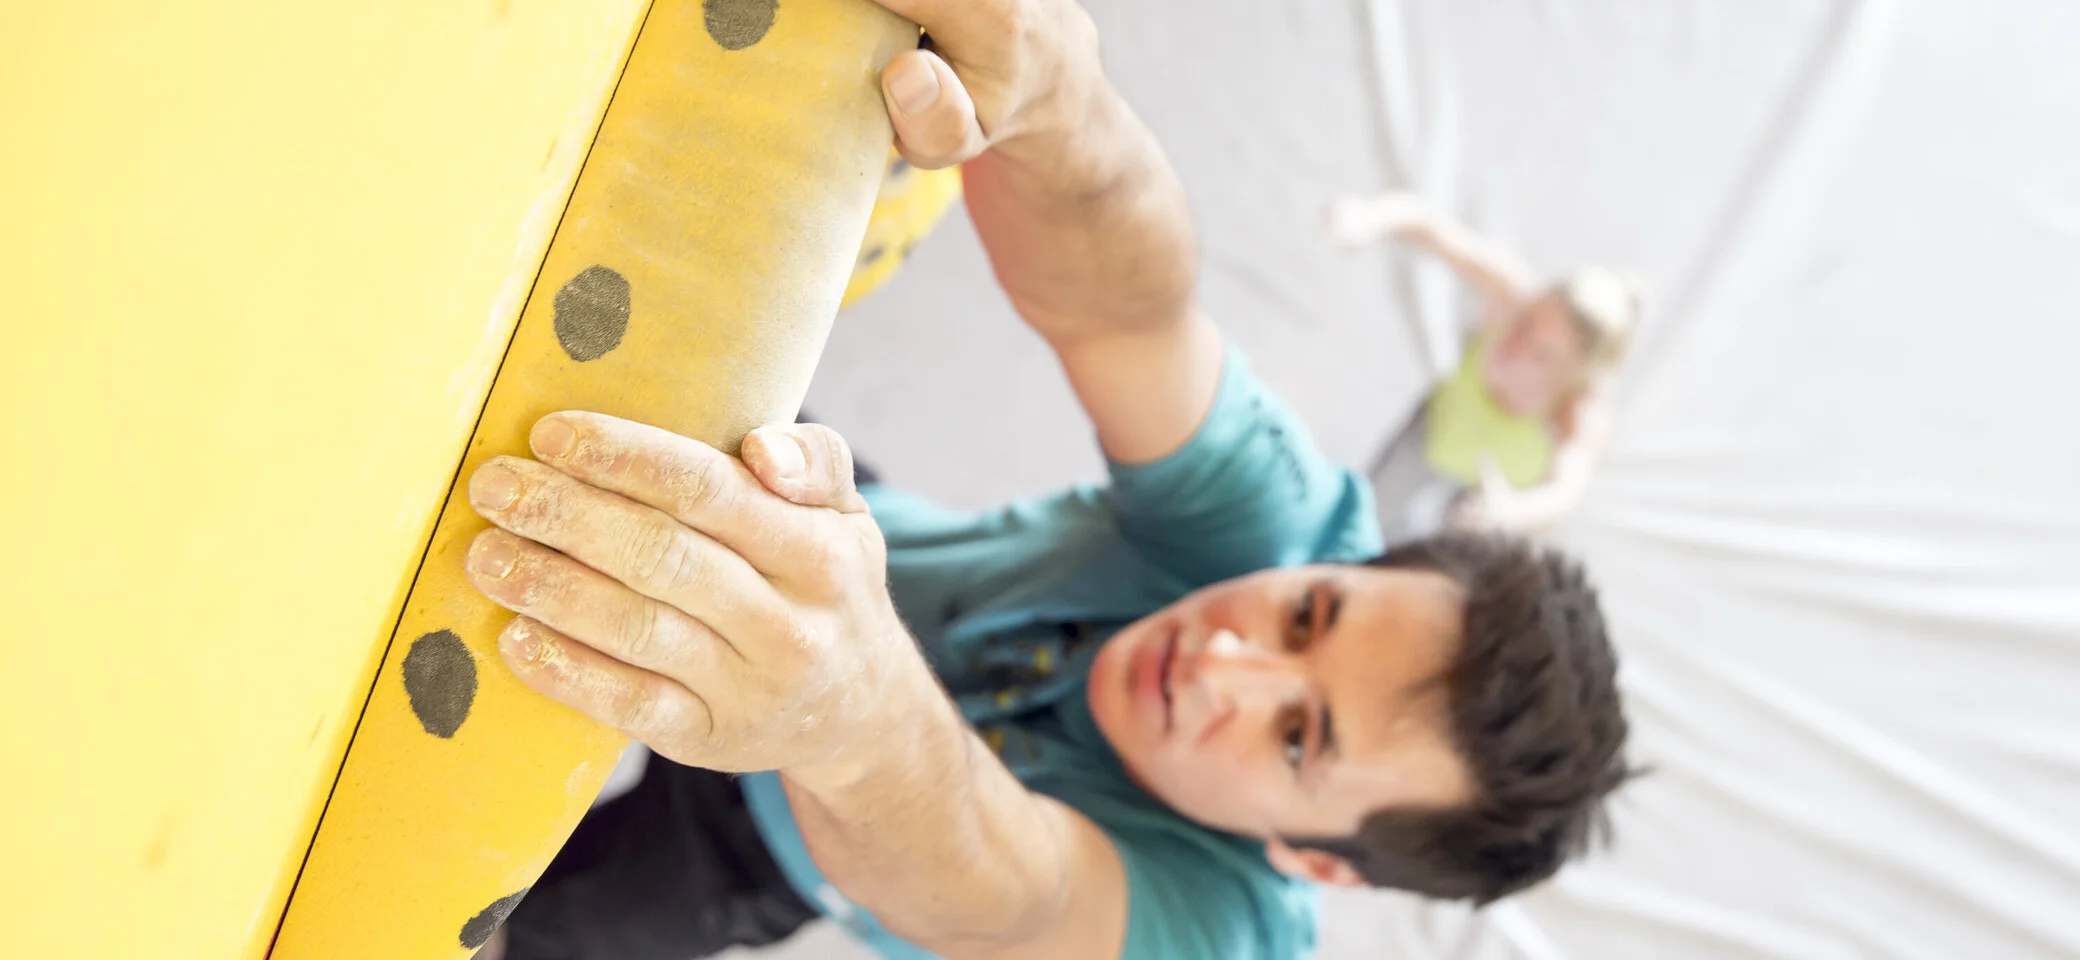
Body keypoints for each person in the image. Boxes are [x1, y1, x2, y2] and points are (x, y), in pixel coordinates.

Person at [469, 1, 1635, 957]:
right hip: (846, 538)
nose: (1227, 659)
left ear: (1317, 859)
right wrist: (1065, 105)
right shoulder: (1291, 522)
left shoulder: (1222, 930)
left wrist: (849, 717)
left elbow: (1014, 896)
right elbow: (1126, 309)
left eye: (1295, 739)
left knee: (516, 935)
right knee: (650, 347)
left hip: (770, 844)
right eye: (1307, 613)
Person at [1327, 191, 1640, 541]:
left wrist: (1512, 511)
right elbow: (1431, 227)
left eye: (1541, 352)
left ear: (1571, 372)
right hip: (1438, 431)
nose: (1516, 346)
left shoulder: (1581, 406)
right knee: (1364, 518)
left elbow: (1564, 491)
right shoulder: (1510, 295)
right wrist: (1368, 217)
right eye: (1525, 323)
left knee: (1442, 558)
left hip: (1495, 489)